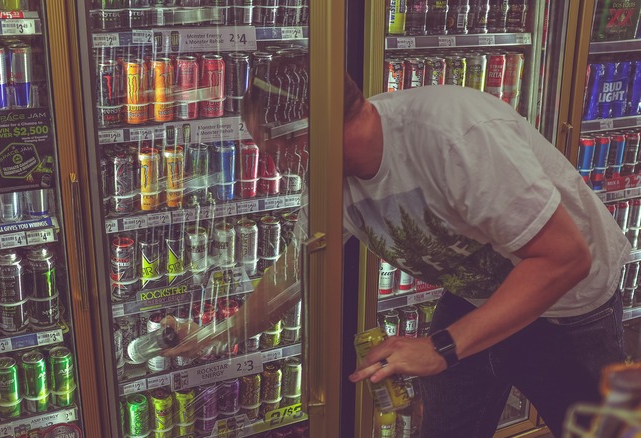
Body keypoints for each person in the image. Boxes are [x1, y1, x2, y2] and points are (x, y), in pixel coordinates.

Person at [166, 71, 629, 438]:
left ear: (301, 134)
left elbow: (566, 259)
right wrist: (217, 334)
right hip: (475, 297)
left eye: (273, 150)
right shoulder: (328, 172)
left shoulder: (452, 135)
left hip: (569, 306)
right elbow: (298, 269)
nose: (273, 167)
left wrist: (441, 347)